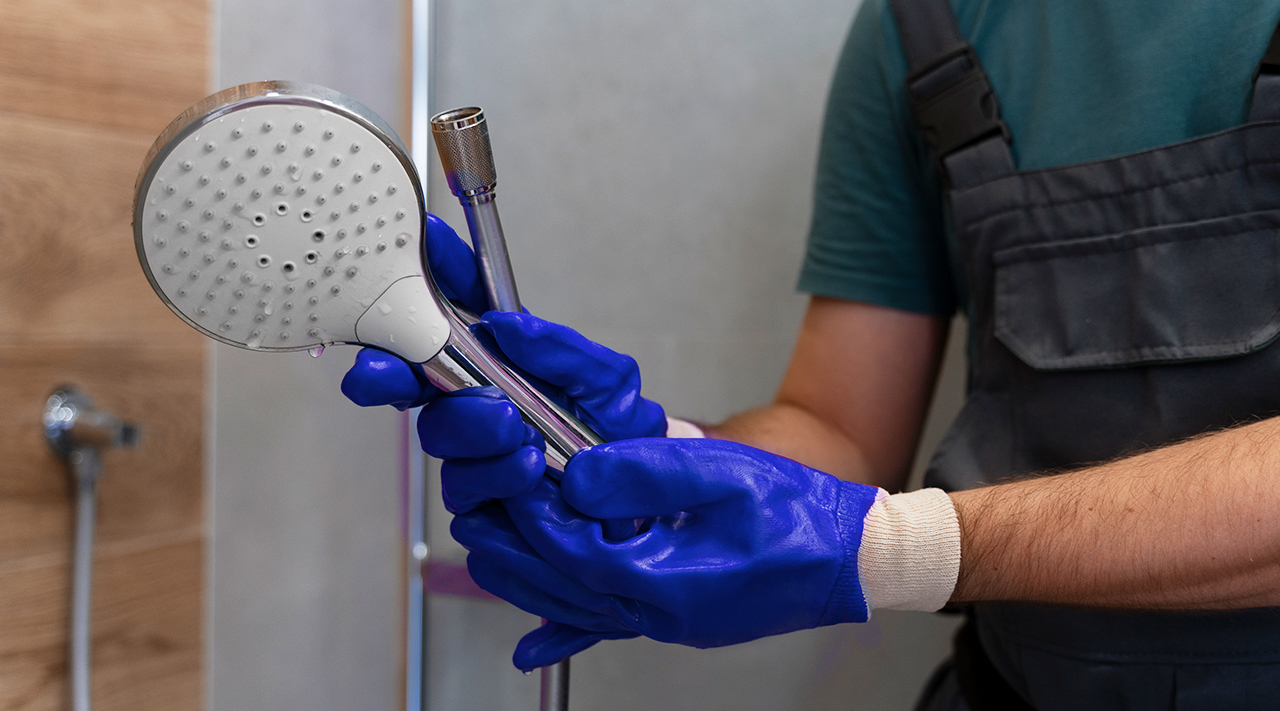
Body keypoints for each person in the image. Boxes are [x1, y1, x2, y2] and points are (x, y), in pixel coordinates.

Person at [344, 0, 1280, 707]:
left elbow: (865, 525)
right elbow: (838, 429)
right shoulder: (925, 24)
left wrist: (890, 549)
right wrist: (656, 457)